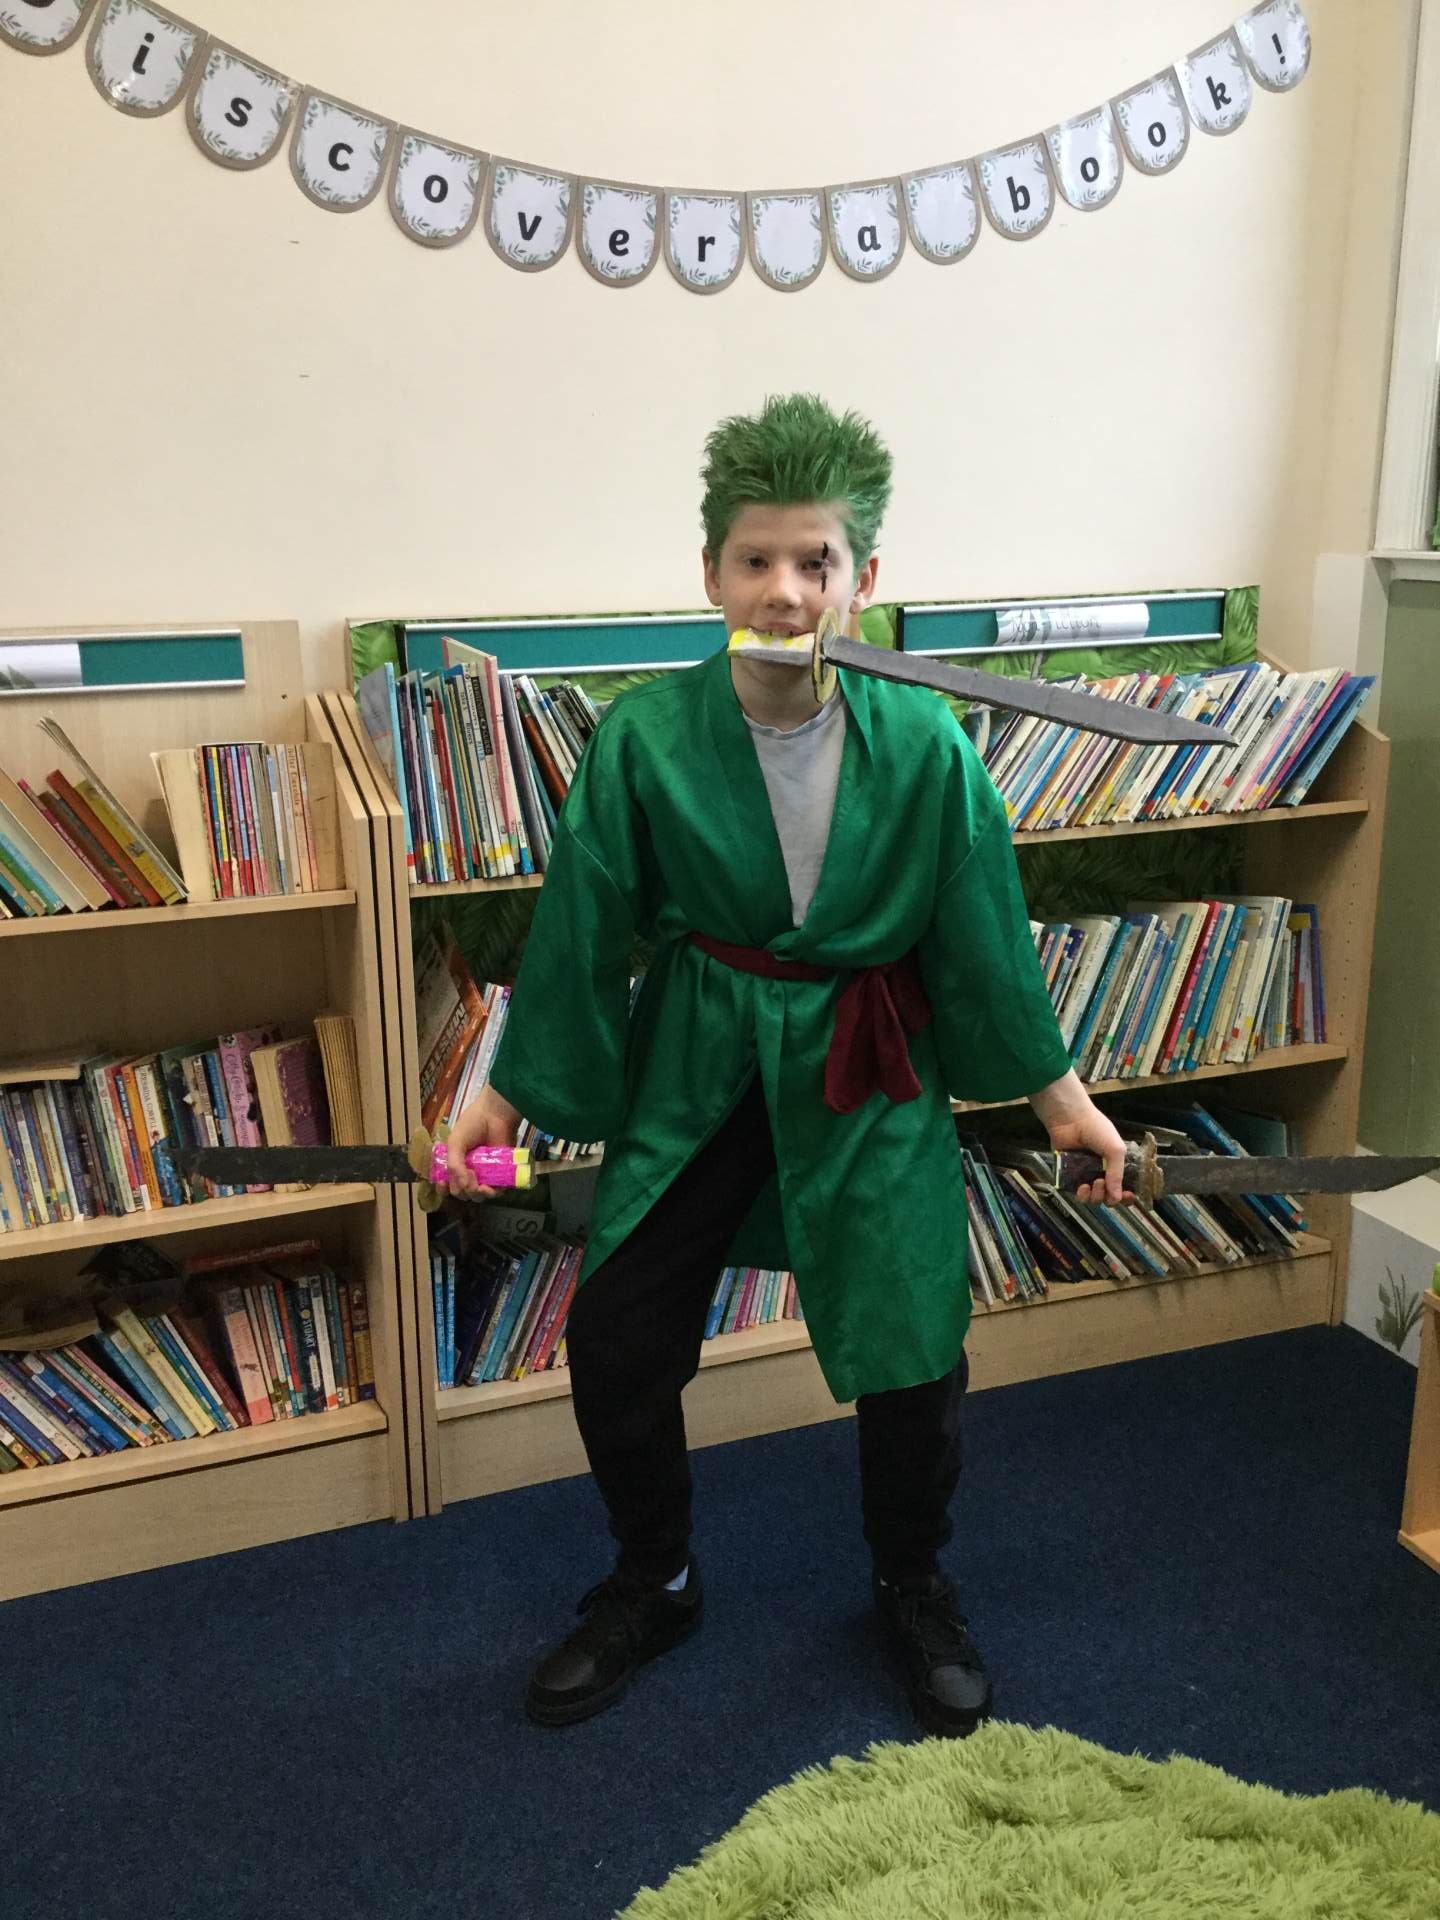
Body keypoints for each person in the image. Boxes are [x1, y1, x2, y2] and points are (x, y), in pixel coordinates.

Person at [446, 393, 1131, 1735]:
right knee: (618, 1334)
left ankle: (911, 1581)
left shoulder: (929, 746)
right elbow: (583, 927)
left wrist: (1066, 1106)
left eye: (817, 560)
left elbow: (982, 943)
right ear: (710, 574)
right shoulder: (645, 738)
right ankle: (656, 1580)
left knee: (914, 1344)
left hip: (865, 1067)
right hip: (701, 1060)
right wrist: (498, 1104)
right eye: (755, 559)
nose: (785, 590)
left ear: (864, 578)